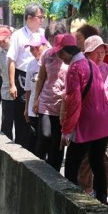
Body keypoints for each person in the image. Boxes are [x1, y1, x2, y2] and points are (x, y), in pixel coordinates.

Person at [57, 34, 108, 205]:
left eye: (60, 55)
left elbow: (73, 102)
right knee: (97, 162)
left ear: (66, 52)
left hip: (88, 122)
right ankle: (101, 201)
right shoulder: (91, 64)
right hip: (104, 121)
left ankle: (72, 203)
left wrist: (66, 131)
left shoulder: (75, 68)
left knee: (72, 165)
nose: (61, 59)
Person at [77, 35, 108, 203]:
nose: (100, 55)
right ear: (87, 54)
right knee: (85, 158)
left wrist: (100, 94)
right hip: (86, 123)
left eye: (102, 52)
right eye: (96, 52)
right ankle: (86, 188)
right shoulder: (80, 70)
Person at [7, 3, 48, 148]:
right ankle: (22, 145)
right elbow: (11, 60)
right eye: (40, 17)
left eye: (43, 17)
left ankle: (37, 147)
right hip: (23, 76)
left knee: (40, 112)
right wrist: (12, 84)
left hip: (42, 76)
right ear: (29, 18)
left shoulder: (44, 34)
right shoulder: (18, 35)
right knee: (23, 112)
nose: (42, 20)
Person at [33, 24, 68, 171]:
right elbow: (41, 78)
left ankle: (54, 174)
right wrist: (36, 99)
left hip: (63, 106)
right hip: (46, 103)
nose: (54, 44)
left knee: (57, 144)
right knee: (45, 137)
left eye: (56, 40)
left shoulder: (71, 56)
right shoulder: (47, 55)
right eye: (51, 40)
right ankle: (37, 169)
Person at [23, 33, 48, 154]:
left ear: (44, 45)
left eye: (37, 48)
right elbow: (28, 89)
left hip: (47, 109)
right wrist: (26, 108)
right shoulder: (31, 64)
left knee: (44, 141)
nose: (34, 51)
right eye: (31, 49)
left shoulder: (51, 62)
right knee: (33, 139)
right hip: (33, 108)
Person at [0, 26, 15, 140]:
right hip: (6, 92)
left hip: (20, 93)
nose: (1, 43)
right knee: (6, 124)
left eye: (3, 40)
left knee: (22, 125)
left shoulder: (18, 50)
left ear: (9, 37)